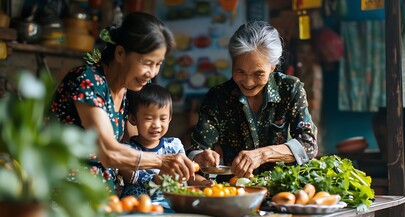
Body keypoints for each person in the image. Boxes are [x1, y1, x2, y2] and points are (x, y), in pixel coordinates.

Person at [50, 12, 195, 193]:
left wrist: (193, 160)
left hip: (104, 196)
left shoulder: (132, 88)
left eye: (158, 64)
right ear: (120, 53)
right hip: (68, 194)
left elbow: (137, 146)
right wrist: (161, 160)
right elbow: (109, 152)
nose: (152, 73)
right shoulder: (88, 80)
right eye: (147, 63)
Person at [187, 21, 318, 179]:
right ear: (232, 62)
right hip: (233, 191)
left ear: (273, 66)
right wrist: (200, 157)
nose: (248, 83)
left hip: (282, 190)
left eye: (258, 74)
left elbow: (308, 145)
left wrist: (264, 154)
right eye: (240, 71)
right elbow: (196, 150)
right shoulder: (218, 96)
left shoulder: (290, 89)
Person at [120, 83, 213, 199]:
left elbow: (188, 176)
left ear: (169, 118)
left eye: (163, 118)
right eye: (148, 118)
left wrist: (204, 183)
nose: (156, 125)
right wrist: (160, 177)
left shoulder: (174, 146)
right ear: (133, 119)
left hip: (172, 205)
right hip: (137, 208)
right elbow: (137, 178)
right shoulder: (127, 151)